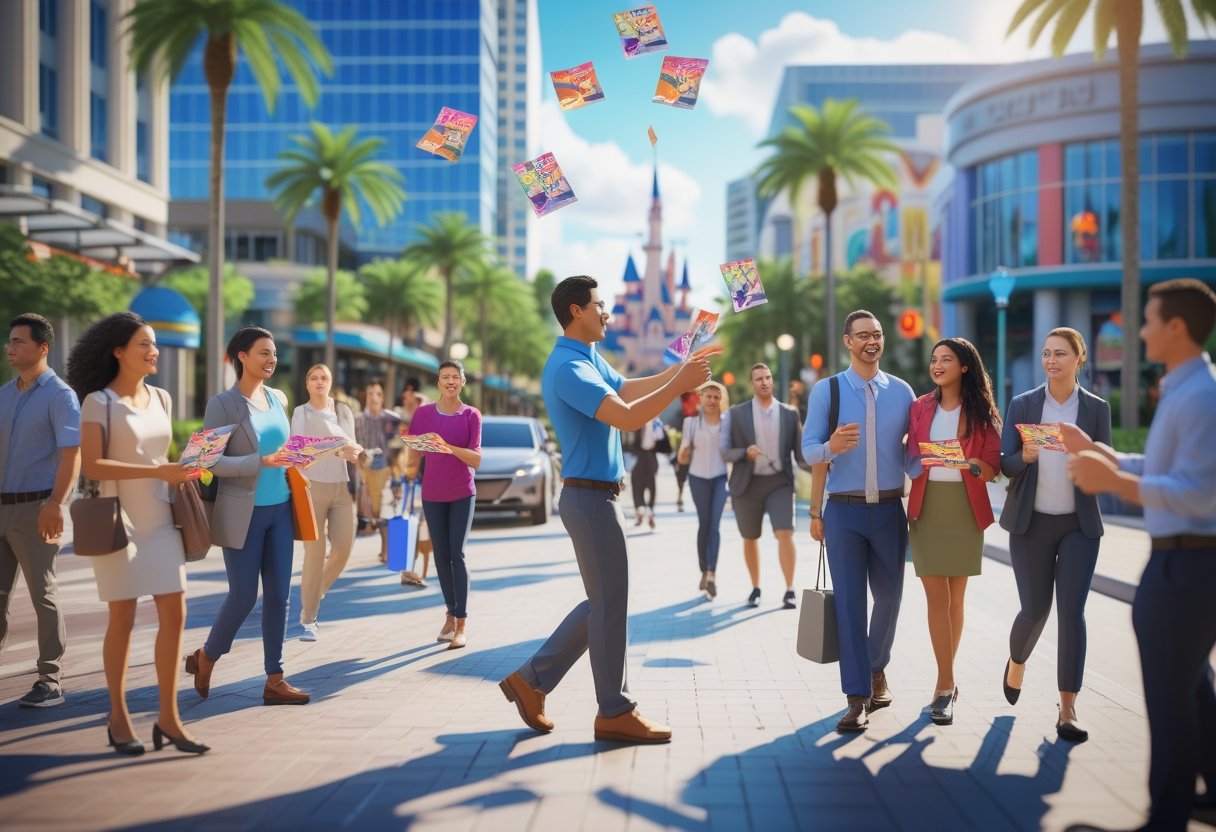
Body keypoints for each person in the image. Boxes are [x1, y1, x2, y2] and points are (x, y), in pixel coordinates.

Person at [498, 275, 714, 744]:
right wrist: (682, 382)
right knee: (609, 605)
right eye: (599, 305)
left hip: (598, 497)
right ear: (576, 311)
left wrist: (682, 370)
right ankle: (613, 710)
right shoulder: (567, 369)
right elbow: (628, 417)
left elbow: (629, 391)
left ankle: (530, 681)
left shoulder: (588, 358)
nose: (607, 312)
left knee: (604, 603)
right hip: (590, 498)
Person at [1064, 279, 1216, 832]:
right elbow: (1162, 468)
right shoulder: (1184, 388)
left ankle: (1165, 819)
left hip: (1188, 563)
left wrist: (1115, 483)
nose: (1141, 329)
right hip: (1181, 561)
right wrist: (1106, 456)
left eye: (1148, 320)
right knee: (1191, 684)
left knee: (1169, 695)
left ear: (1175, 328)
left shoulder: (1200, 395)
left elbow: (1197, 492)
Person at [67, 312, 208, 754]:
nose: (154, 352)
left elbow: (163, 460)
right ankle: (118, 716)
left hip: (162, 520)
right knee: (122, 621)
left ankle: (169, 718)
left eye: (154, 344)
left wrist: (188, 467)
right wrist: (157, 470)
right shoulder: (99, 403)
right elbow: (92, 465)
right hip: (118, 524)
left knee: (176, 615)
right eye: (144, 345)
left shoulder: (162, 398)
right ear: (118, 351)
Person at [802, 310, 915, 733]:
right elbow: (808, 451)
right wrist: (830, 446)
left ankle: (875, 666)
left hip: (889, 511)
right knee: (849, 606)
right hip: (844, 513)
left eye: (878, 334)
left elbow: (914, 453)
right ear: (848, 341)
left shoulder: (903, 393)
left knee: (889, 598)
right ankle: (857, 696)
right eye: (863, 335)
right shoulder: (826, 392)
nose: (872, 341)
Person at [184, 327, 310, 707]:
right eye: (263, 353)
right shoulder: (222, 404)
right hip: (243, 513)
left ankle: (275, 678)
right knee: (242, 596)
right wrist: (259, 462)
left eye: (274, 353)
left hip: (281, 510)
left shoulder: (279, 398)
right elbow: (207, 463)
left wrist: (303, 454)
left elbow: (283, 448)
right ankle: (206, 657)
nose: (271, 360)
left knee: (279, 597)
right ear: (241, 356)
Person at [1000, 328, 1111, 744]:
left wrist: (1086, 457)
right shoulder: (1023, 404)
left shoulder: (1096, 408)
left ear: (1078, 359)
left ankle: (1067, 709)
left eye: (1060, 354)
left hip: (1079, 526)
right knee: (1034, 611)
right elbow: (1004, 464)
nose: (1051, 360)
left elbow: (1106, 463)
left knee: (1071, 614)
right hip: (1030, 524)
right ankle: (1016, 661)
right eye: (1046, 353)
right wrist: (1024, 456)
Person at [906, 338, 1001, 727]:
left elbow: (994, 465)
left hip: (963, 507)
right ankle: (946, 686)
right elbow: (911, 454)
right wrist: (918, 456)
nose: (938, 364)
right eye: (934, 359)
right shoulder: (919, 406)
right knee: (935, 599)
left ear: (964, 366)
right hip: (927, 507)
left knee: (956, 601)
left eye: (946, 359)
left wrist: (973, 464)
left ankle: (945, 681)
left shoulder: (982, 413)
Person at [0, 313, 78, 709]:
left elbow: (71, 455)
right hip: (0, 506)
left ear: (42, 347)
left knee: (42, 595)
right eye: (9, 341)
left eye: (18, 341)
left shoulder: (60, 396)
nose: (10, 348)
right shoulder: (3, 394)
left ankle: (50, 679)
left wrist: (56, 504)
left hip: (36, 509)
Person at [719, 363, 812, 609]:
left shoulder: (790, 413)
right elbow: (725, 450)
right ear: (752, 383)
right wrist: (744, 453)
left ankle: (790, 589)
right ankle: (756, 587)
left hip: (779, 482)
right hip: (747, 485)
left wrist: (825, 468)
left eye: (768, 377)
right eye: (759, 378)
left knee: (785, 532)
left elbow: (801, 455)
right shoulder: (736, 414)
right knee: (750, 537)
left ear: (772, 381)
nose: (764, 382)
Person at [404, 360, 482, 650]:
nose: (450, 381)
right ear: (438, 383)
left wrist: (446, 446)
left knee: (456, 555)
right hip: (432, 494)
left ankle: (461, 623)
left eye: (455, 377)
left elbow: (475, 459)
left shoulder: (471, 415)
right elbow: (414, 451)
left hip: (462, 492)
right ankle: (449, 613)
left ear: (462, 382)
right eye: (445, 377)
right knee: (440, 557)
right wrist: (414, 455)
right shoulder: (423, 414)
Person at [291, 364, 363, 642]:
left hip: (341, 489)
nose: (319, 382)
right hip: (312, 489)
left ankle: (316, 589)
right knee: (314, 554)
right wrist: (335, 448)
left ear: (331, 383)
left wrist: (351, 450)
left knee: (344, 547)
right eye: (313, 378)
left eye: (324, 378)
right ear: (307, 384)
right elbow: (299, 447)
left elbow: (354, 450)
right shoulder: (301, 412)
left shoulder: (343, 412)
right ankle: (308, 619)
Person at [677, 380, 729, 600]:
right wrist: (684, 452)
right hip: (697, 478)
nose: (712, 400)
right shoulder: (690, 423)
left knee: (715, 525)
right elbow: (683, 452)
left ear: (721, 400)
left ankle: (711, 574)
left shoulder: (727, 423)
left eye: (717, 397)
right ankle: (703, 569)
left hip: (720, 479)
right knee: (704, 524)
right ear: (700, 398)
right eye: (708, 396)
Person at [356, 380, 402, 563]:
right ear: (366, 397)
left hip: (385, 470)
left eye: (378, 394)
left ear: (383, 397)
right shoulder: (358, 419)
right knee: (366, 512)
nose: (374, 398)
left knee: (386, 510)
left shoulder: (391, 419)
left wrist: (397, 478)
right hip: (363, 471)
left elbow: (398, 451)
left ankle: (388, 552)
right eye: (370, 394)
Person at [631, 418, 669, 528]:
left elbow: (661, 441)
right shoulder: (654, 423)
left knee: (641, 485)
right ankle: (646, 510)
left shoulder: (654, 423)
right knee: (647, 485)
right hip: (646, 456)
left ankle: (642, 510)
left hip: (645, 456)